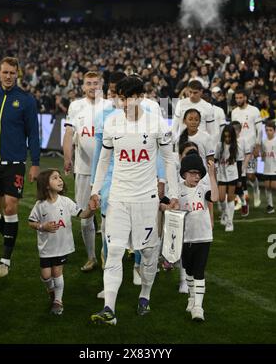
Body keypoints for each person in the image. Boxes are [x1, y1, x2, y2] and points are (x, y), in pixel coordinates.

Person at [89, 76, 178, 325]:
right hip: (118, 196)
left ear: (141, 96)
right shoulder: (112, 123)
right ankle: (109, 308)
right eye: (123, 97)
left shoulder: (156, 122)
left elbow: (169, 159)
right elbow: (104, 160)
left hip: (146, 199)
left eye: (132, 97)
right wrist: (95, 191)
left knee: (149, 252)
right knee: (115, 250)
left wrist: (174, 193)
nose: (127, 102)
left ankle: (145, 295)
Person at [0, 57, 40, 278]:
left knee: (10, 206)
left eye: (12, 73)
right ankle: (10, 235)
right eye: (4, 72)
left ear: (18, 74)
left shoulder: (26, 100)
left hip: (15, 164)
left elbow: (33, 134)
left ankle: (5, 260)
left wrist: (34, 163)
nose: (8, 76)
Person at [28, 169, 96, 315]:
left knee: (57, 272)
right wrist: (42, 226)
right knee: (46, 275)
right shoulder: (40, 205)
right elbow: (31, 222)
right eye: (55, 178)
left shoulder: (65, 202)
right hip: (46, 248)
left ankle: (58, 302)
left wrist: (91, 210)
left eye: (60, 177)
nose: (60, 180)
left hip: (62, 246)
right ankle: (51, 290)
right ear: (46, 185)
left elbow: (82, 214)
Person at [63, 71, 110, 272]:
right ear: (83, 86)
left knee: (111, 217)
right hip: (83, 170)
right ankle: (91, 257)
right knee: (85, 217)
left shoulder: (110, 106)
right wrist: (67, 157)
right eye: (89, 83)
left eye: (96, 83)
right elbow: (68, 134)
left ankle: (110, 257)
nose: (92, 87)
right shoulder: (76, 106)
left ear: (102, 86)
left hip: (108, 171)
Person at [177, 155, 218, 321]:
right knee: (188, 270)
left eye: (198, 173)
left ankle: (198, 308)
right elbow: (166, 205)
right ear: (184, 173)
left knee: (199, 271)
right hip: (185, 238)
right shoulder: (178, 190)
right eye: (192, 173)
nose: (196, 176)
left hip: (203, 237)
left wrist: (212, 174)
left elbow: (214, 198)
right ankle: (192, 298)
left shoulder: (204, 187)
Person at [231, 89, 263, 208]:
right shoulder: (234, 112)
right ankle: (241, 199)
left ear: (245, 97)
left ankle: (256, 190)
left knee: (250, 176)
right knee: (239, 176)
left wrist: (258, 146)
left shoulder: (254, 110)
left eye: (240, 97)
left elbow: (259, 130)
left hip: (251, 148)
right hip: (238, 149)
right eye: (236, 98)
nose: (238, 100)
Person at [215, 125, 242, 232]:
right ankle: (224, 214)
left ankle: (230, 223)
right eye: (225, 136)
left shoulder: (237, 147)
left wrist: (239, 179)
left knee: (231, 198)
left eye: (229, 137)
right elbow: (216, 159)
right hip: (221, 175)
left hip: (233, 175)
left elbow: (239, 163)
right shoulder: (219, 145)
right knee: (221, 198)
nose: (227, 139)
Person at [261, 120, 276, 214]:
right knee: (267, 187)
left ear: (274, 131)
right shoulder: (264, 141)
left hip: (274, 168)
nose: (268, 132)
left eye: (270, 130)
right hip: (266, 168)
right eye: (266, 130)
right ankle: (270, 205)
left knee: (274, 186)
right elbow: (263, 156)